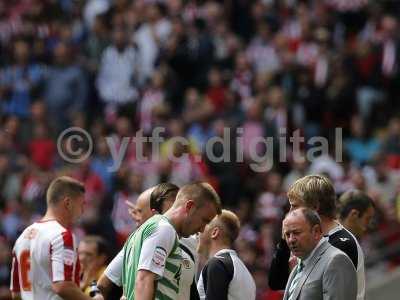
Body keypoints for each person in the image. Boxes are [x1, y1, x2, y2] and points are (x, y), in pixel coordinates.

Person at [269, 175, 365, 300]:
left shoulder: (341, 245)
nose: (290, 212)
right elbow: (276, 282)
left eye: (295, 206)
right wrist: (284, 240)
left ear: (315, 207)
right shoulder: (307, 241)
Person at [98, 182, 200, 300]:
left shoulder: (192, 240)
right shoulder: (137, 243)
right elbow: (102, 284)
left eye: (140, 211)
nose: (136, 217)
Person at [122, 182, 221, 300]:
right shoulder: (164, 229)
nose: (203, 229)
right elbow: (144, 279)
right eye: (204, 220)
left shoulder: (142, 232)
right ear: (189, 206)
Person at [10, 176, 103, 300]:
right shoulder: (61, 235)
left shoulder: (22, 237)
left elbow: (16, 293)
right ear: (68, 203)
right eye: (81, 204)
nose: (82, 211)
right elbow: (62, 286)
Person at [282, 208, 357, 300]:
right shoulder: (298, 265)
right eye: (287, 234)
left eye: (296, 233)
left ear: (316, 231)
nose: (291, 240)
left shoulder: (336, 260)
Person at [197, 209, 256, 300]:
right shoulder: (247, 274)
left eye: (205, 223)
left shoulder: (217, 264)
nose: (199, 230)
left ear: (214, 232)